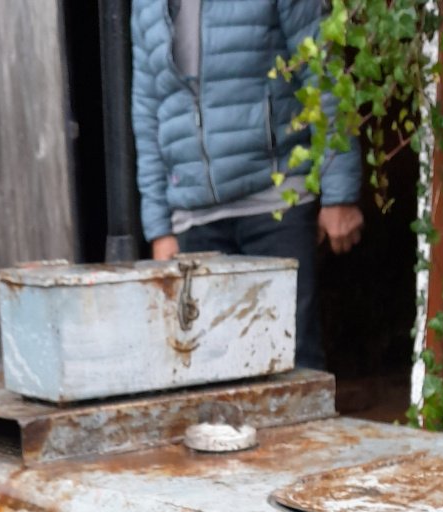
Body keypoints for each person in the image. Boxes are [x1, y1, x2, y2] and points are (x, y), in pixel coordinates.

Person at [130, 0, 364, 370]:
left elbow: (323, 75)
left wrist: (340, 192)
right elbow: (147, 109)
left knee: (292, 362)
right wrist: (158, 228)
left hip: (274, 204)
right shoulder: (144, 6)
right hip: (193, 220)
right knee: (208, 370)